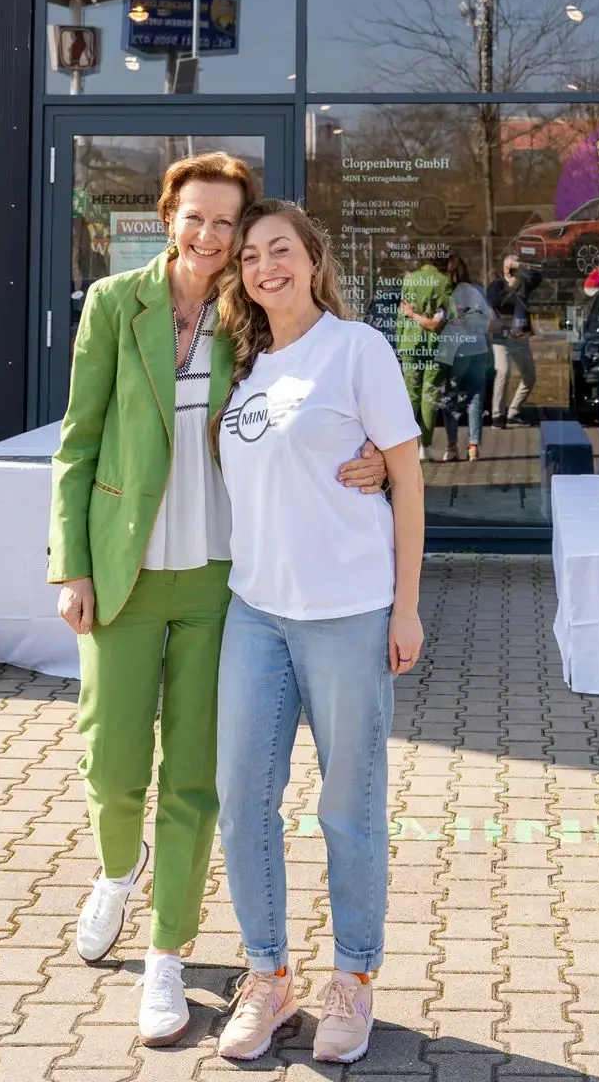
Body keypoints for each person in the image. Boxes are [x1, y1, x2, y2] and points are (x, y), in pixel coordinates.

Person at [48, 154, 387, 1049]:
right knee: (112, 762)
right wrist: (71, 565)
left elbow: (321, 397)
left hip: (220, 579)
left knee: (196, 777)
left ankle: (168, 955)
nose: (209, 235)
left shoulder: (248, 319)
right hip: (122, 570)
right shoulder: (114, 304)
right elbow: (78, 442)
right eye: (194, 217)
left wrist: (381, 460)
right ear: (168, 217)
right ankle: (117, 869)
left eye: (225, 223)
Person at [212, 201, 424, 1065]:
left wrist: (406, 606)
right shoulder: (242, 365)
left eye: (280, 250)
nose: (265, 267)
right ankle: (268, 976)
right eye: (250, 257)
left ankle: (354, 979)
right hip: (256, 612)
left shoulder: (356, 348)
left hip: (347, 612)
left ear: (311, 259)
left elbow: (406, 480)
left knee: (348, 806)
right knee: (241, 802)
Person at [395, 253, 453, 460]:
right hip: (434, 345)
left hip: (410, 343)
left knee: (410, 395)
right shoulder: (444, 282)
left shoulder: (409, 280)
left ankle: (405, 446)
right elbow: (442, 318)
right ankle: (425, 446)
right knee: (430, 395)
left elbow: (401, 316)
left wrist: (399, 341)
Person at [437, 253, 491, 462]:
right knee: (475, 396)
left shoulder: (447, 293)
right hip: (478, 347)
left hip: (456, 350)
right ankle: (473, 446)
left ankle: (452, 445)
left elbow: (440, 321)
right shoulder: (477, 291)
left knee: (451, 396)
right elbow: (488, 320)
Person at [486, 253, 539, 425]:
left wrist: (522, 269)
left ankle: (514, 411)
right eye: (512, 262)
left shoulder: (524, 283)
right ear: (504, 266)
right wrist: (510, 285)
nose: (515, 265)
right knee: (503, 371)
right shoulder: (495, 285)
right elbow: (498, 303)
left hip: (520, 335)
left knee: (529, 376)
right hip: (501, 336)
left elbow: (537, 278)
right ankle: (497, 415)